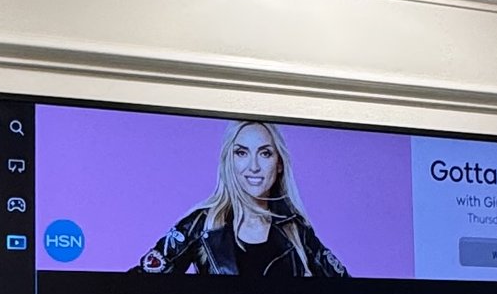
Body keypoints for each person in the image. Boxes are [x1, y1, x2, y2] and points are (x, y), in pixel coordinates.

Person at [137, 117, 347, 277]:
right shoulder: (200, 225)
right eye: (241, 153)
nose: (253, 167)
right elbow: (139, 284)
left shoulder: (295, 229)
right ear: (229, 161)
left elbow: (353, 293)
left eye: (265, 153)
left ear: (279, 163)